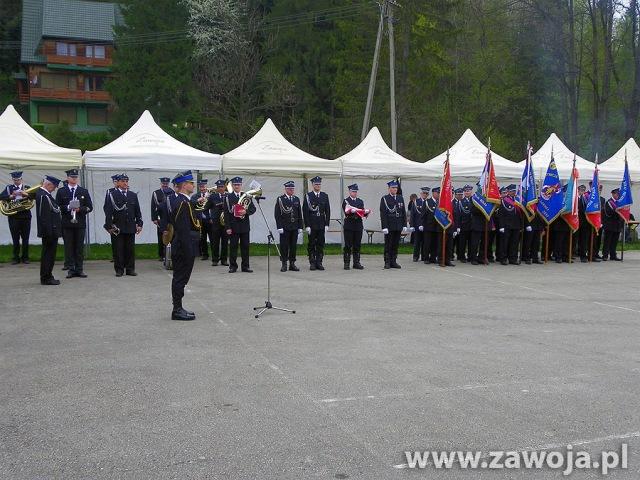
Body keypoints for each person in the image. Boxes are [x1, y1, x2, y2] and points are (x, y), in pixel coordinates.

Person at [168, 170, 200, 321]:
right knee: (180, 278)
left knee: (182, 278)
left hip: (185, 245)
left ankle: (179, 308)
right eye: (191, 183)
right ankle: (177, 310)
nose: (193, 185)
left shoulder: (185, 201)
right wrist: (189, 251)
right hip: (183, 246)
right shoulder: (182, 202)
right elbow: (183, 230)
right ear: (184, 185)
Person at [55, 169, 93, 278]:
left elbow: (90, 207)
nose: (74, 179)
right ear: (67, 178)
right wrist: (68, 207)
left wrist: (80, 209)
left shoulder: (83, 191)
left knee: (79, 247)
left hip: (80, 223)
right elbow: (57, 206)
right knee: (69, 247)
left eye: (75, 177)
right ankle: (71, 270)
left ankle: (79, 269)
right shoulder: (62, 191)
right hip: (67, 223)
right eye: (72, 177)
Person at [103, 174, 143, 277]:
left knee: (130, 249)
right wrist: (109, 226)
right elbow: (108, 212)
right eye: (123, 181)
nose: (125, 183)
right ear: (118, 182)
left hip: (130, 226)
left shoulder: (132, 195)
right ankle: (119, 270)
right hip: (117, 226)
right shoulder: (112, 195)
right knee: (118, 249)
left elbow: (137, 211)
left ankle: (130, 269)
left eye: (126, 181)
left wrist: (139, 224)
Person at [225, 177, 256, 273]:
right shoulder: (228, 197)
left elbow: (253, 209)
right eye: (235, 185)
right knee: (233, 247)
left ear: (241, 185)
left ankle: (245, 266)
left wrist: (245, 211)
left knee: (245, 247)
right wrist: (228, 227)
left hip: (244, 226)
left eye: (238, 184)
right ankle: (233, 266)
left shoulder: (246, 196)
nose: (237, 186)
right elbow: (226, 213)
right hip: (233, 227)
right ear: (232, 186)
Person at [36, 176, 62, 285]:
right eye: (54, 186)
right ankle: (46, 277)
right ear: (48, 184)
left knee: (50, 255)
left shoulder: (45, 195)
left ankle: (48, 275)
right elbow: (44, 217)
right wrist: (49, 233)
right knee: (48, 255)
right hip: (49, 232)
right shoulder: (43, 196)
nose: (55, 189)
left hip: (52, 230)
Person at [0, 171, 31, 264]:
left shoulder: (27, 188)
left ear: (21, 179)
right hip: (13, 217)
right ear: (12, 179)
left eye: (18, 179)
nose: (16, 181)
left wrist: (27, 195)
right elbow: (1, 196)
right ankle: (16, 257)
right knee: (15, 238)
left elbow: (35, 197)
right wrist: (10, 196)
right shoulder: (9, 188)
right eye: (15, 180)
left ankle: (25, 257)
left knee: (25, 238)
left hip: (25, 217)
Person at [303, 176, 331, 271]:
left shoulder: (324, 195)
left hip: (321, 224)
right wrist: (307, 225)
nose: (318, 186)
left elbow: (328, 211)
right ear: (312, 185)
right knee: (311, 244)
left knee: (320, 244)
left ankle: (319, 262)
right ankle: (312, 262)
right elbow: (305, 212)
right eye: (316, 184)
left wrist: (327, 224)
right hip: (312, 224)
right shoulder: (308, 196)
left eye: (319, 184)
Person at [275, 180, 303, 272]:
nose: (291, 190)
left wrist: (300, 226)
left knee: (293, 246)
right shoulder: (280, 199)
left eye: (292, 188)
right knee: (284, 246)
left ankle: (292, 263)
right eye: (289, 189)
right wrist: (279, 227)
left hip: (294, 226)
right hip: (285, 227)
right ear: (286, 189)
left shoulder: (296, 199)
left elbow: (299, 214)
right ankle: (284, 263)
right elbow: (277, 214)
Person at [380, 179, 407, 269]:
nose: (395, 189)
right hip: (389, 225)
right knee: (388, 244)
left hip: (398, 225)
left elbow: (403, 212)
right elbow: (383, 214)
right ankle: (387, 262)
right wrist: (384, 226)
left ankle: (393, 261)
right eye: (393, 187)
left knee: (396, 244)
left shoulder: (400, 198)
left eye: (396, 187)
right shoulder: (385, 199)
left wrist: (404, 225)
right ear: (389, 189)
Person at [342, 184, 369, 269]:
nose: (355, 193)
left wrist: (365, 212)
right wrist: (353, 211)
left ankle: (356, 262)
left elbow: (361, 211)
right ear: (349, 191)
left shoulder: (360, 201)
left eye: (356, 191)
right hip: (349, 225)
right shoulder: (346, 201)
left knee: (357, 244)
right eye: (353, 191)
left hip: (358, 225)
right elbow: (346, 212)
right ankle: (346, 263)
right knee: (348, 245)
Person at [496, 184, 522, 265]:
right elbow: (501, 215)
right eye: (511, 191)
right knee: (505, 243)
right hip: (506, 225)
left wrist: (521, 225)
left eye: (514, 191)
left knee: (514, 243)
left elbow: (520, 214)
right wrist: (501, 226)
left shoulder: (518, 200)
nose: (513, 192)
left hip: (516, 225)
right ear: (508, 192)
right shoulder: (504, 201)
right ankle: (503, 258)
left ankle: (513, 258)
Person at [207, 179, 229, 266]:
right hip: (215, 222)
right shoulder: (213, 196)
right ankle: (215, 260)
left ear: (225, 187)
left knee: (225, 242)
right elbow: (206, 207)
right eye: (219, 187)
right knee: (215, 242)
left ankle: (224, 260)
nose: (220, 188)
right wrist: (210, 217)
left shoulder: (228, 196)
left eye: (222, 187)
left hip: (226, 223)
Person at [151, 177, 172, 262]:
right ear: (161, 183)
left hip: (170, 218)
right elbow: (153, 206)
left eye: (166, 184)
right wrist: (154, 218)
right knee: (161, 236)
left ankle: (169, 254)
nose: (165, 185)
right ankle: (161, 255)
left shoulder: (171, 192)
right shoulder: (156, 193)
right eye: (163, 183)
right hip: (161, 218)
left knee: (170, 235)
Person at [192, 179, 213, 261]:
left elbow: (213, 208)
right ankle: (205, 254)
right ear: (199, 187)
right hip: (200, 220)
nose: (202, 188)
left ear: (206, 186)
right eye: (201, 187)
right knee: (202, 238)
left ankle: (214, 255)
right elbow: (192, 204)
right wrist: (198, 200)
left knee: (213, 238)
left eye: (204, 186)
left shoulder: (211, 195)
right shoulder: (195, 196)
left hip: (209, 220)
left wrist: (211, 218)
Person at [602, 188, 624, 261]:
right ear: (613, 194)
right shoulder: (609, 202)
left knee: (614, 241)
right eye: (616, 194)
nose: (618, 195)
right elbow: (607, 213)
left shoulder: (619, 202)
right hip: (610, 225)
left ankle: (613, 255)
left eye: (618, 194)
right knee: (607, 241)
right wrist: (616, 211)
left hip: (617, 225)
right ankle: (605, 255)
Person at [454, 186, 472, 262]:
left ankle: (470, 256)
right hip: (463, 225)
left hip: (472, 225)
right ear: (464, 192)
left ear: (471, 192)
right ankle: (461, 257)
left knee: (471, 242)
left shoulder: (474, 200)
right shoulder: (460, 201)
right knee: (462, 243)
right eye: (466, 191)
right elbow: (458, 215)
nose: (467, 192)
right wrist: (458, 226)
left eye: (468, 191)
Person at [410, 187, 429, 262]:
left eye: (426, 193)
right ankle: (415, 256)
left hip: (426, 226)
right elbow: (412, 214)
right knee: (417, 242)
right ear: (421, 194)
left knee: (425, 242)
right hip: (417, 225)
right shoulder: (416, 202)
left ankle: (424, 256)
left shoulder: (429, 202)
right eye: (423, 193)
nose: (425, 194)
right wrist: (411, 225)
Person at [422, 187, 438, 263]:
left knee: (435, 243)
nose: (438, 194)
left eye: (439, 193)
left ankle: (433, 257)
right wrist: (422, 225)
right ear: (433, 193)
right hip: (428, 226)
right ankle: (426, 258)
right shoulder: (427, 202)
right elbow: (423, 215)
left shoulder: (440, 202)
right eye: (437, 193)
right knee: (427, 243)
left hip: (437, 226)